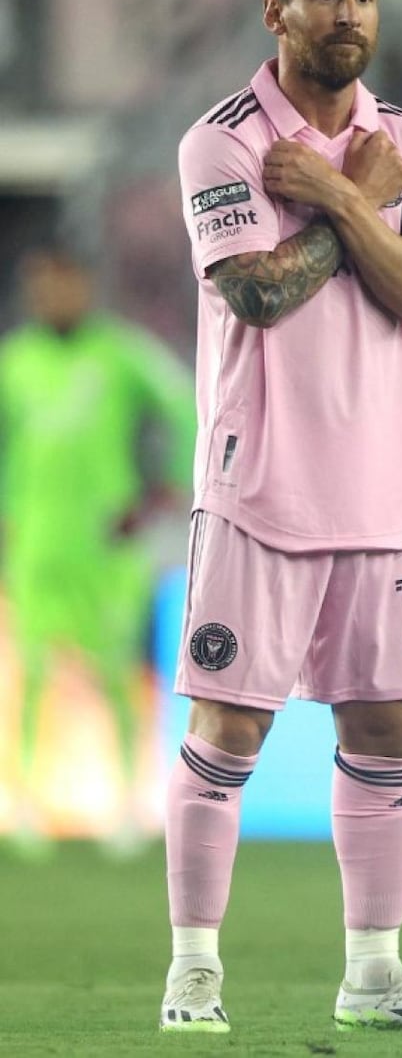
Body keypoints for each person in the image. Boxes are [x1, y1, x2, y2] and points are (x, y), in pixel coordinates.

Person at [161, 0, 402, 1035]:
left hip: (376, 492)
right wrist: (342, 202)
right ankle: (194, 974)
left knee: (388, 732)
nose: (348, 13)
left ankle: (371, 976)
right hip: (258, 484)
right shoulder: (219, 142)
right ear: (277, 13)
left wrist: (346, 194)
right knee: (229, 732)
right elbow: (254, 292)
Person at [0, 248, 196, 852]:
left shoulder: (120, 353)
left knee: (118, 671)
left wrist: (163, 488)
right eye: (42, 287)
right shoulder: (14, 363)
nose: (53, 298)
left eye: (64, 285)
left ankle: (129, 808)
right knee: (30, 672)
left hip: (108, 542)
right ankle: (22, 806)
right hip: (34, 541)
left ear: (84, 288)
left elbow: (184, 408)